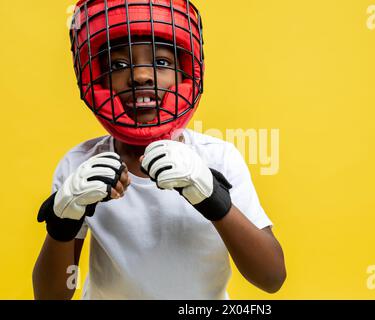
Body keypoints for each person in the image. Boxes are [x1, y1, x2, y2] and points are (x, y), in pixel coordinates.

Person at [32, 0, 286, 300]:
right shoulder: (81, 164)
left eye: (162, 63)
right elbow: (50, 297)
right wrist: (63, 221)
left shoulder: (218, 157)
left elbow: (271, 278)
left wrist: (215, 200)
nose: (140, 76)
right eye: (118, 65)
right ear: (98, 78)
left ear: (185, 74)